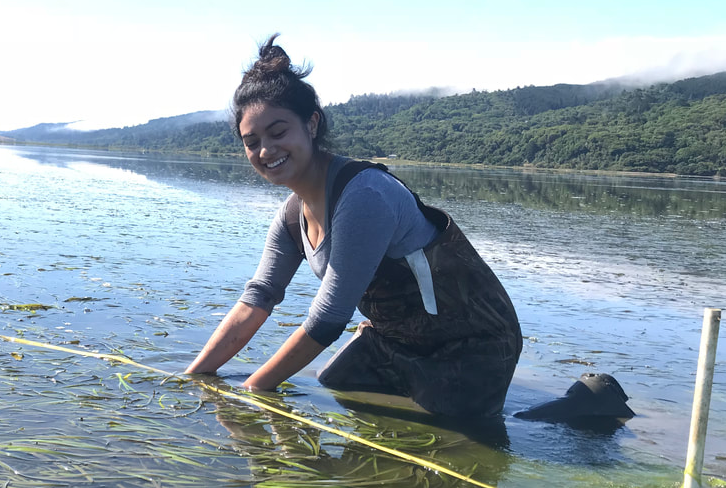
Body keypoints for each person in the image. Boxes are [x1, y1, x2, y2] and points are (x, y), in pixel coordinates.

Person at [186, 35, 522, 419]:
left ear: (311, 124)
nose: (265, 151)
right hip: (397, 338)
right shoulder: (292, 216)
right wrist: (197, 376)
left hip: (474, 344)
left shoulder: (364, 195)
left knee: (461, 435)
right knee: (338, 383)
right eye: (252, 142)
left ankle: (587, 403)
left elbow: (328, 318)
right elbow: (259, 297)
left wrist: (252, 390)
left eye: (278, 133)